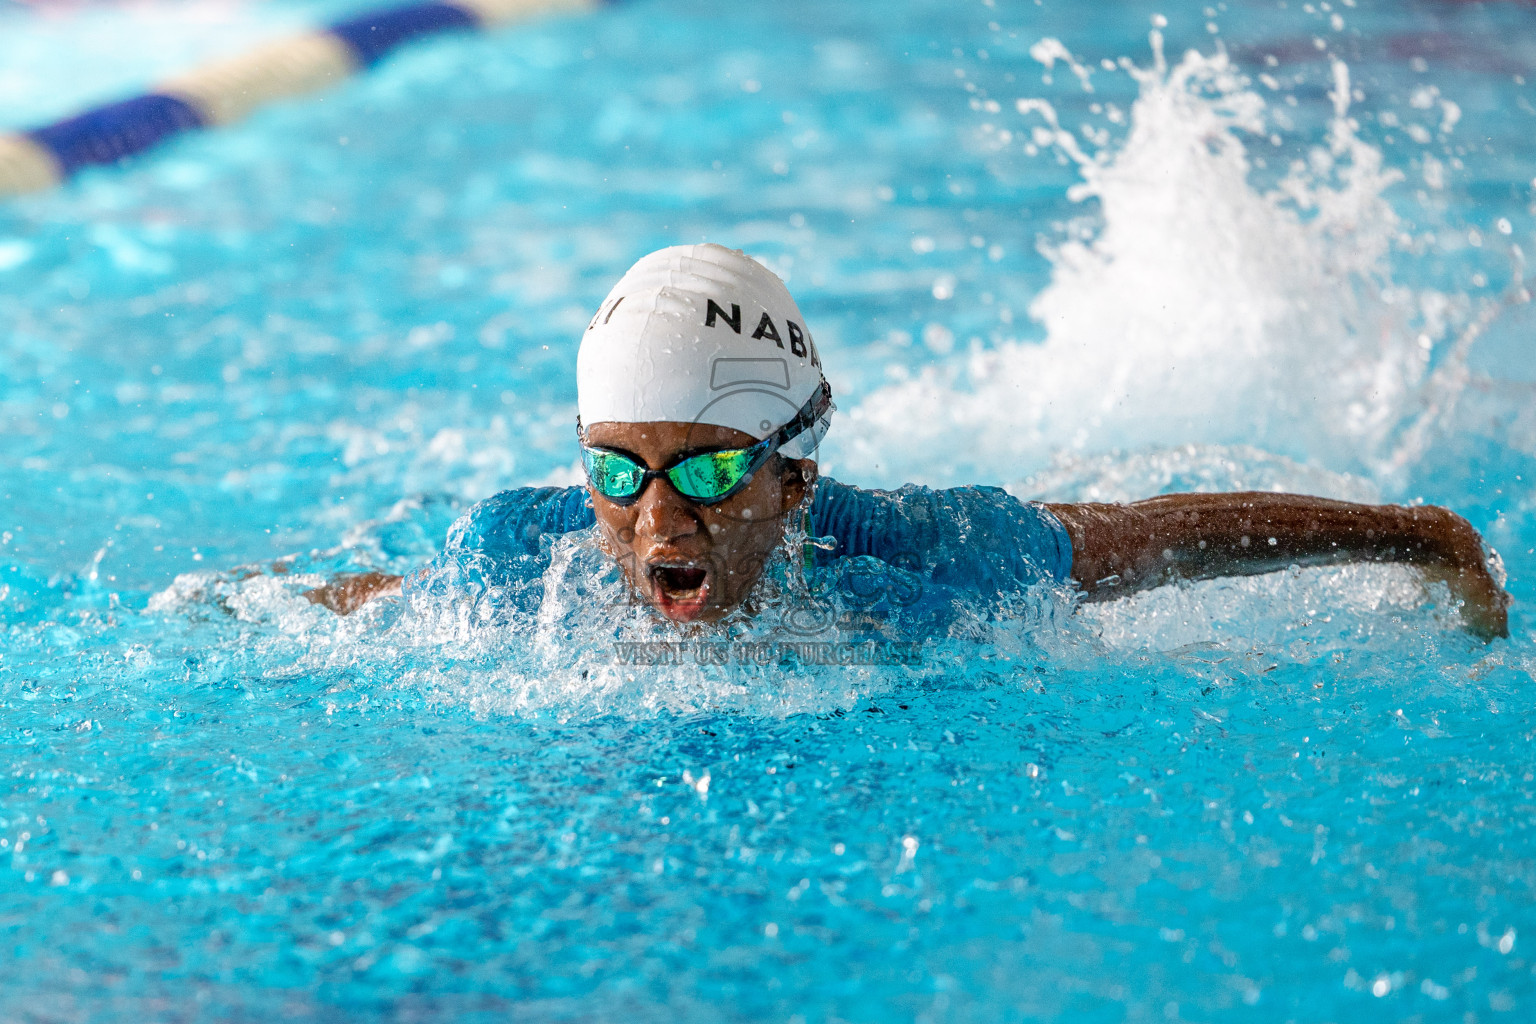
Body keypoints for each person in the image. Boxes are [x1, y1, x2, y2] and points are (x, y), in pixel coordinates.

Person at [306, 244, 1511, 639]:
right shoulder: (513, 562)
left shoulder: (930, 561)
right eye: (620, 471)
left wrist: (1411, 533)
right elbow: (377, 604)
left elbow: (1146, 539)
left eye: (713, 467)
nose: (659, 521)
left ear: (794, 476)